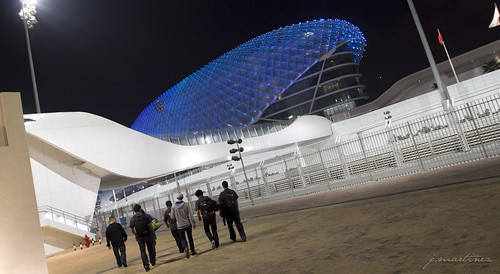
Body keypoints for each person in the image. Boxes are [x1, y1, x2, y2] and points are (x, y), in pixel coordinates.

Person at [129, 204, 156, 272]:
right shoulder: (145, 215)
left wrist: (136, 234)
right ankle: (152, 261)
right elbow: (150, 225)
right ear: (140, 209)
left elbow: (131, 229)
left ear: (134, 211)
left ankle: (146, 265)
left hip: (139, 237)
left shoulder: (133, 218)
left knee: (143, 251)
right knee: (150, 248)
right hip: (147, 234)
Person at [171, 192, 197, 258]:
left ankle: (185, 247)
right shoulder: (186, 205)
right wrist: (193, 222)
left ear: (177, 198)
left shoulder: (174, 206)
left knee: (182, 238)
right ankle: (193, 250)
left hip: (179, 225)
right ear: (182, 198)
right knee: (190, 237)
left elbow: (172, 217)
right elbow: (190, 215)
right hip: (187, 224)